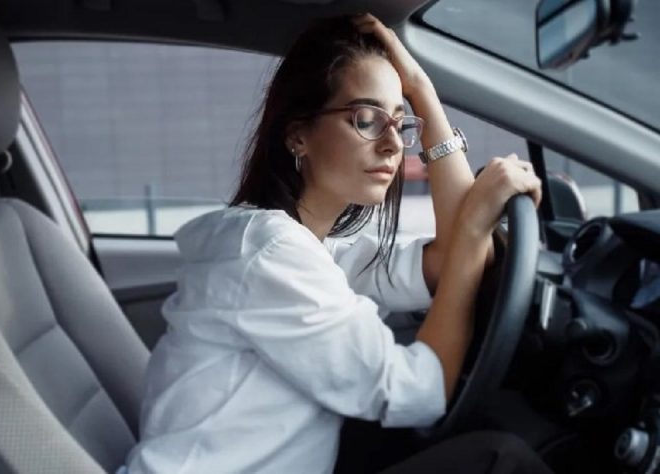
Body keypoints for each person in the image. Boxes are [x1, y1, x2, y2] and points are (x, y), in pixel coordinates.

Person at [123, 13, 551, 474]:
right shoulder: (269, 254)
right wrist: (471, 227)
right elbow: (420, 391)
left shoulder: (314, 252)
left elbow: (450, 263)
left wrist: (423, 90)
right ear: (298, 135)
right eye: (366, 119)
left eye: (402, 123)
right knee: (501, 462)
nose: (392, 145)